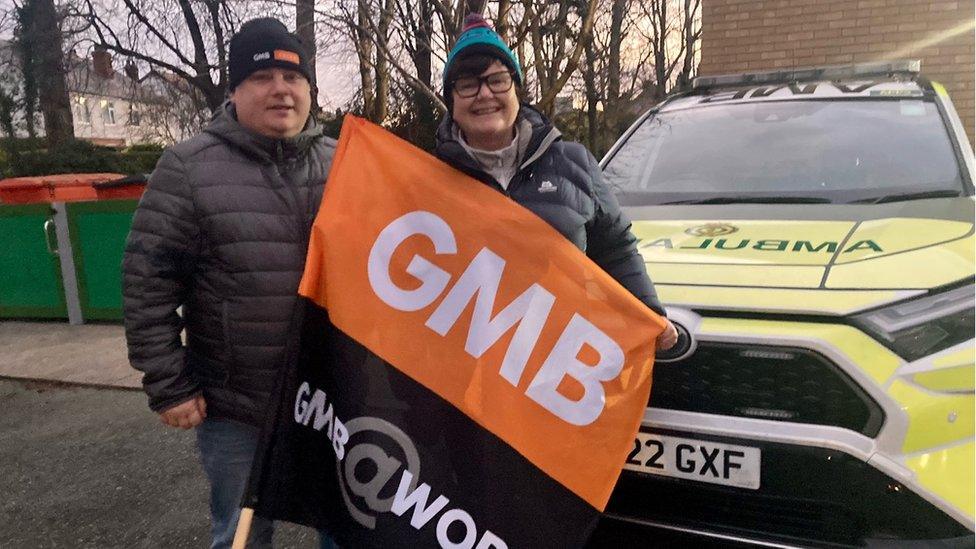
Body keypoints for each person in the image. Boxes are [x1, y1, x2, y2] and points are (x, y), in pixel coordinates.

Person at [122, 18, 337, 549]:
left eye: (294, 78)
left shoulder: (346, 164)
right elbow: (147, 282)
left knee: (350, 530)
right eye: (263, 77)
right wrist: (169, 384)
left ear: (310, 90)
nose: (281, 90)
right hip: (239, 407)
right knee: (240, 535)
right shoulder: (188, 168)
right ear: (235, 89)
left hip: (336, 402)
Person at [436, 14, 678, 351]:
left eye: (497, 79)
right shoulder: (428, 178)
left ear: (517, 89)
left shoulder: (573, 163)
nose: (484, 93)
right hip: (466, 371)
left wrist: (647, 314)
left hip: (556, 369)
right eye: (467, 84)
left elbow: (615, 247)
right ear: (451, 101)